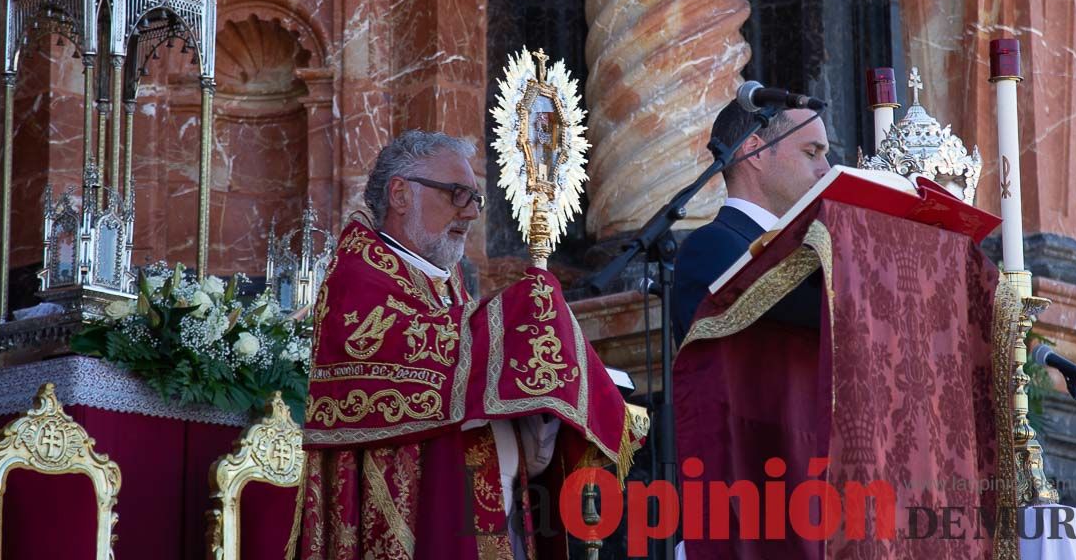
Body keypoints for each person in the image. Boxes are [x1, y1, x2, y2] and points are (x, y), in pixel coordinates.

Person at [293, 130, 641, 560]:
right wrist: (523, 312)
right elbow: (414, 362)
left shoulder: (443, 280)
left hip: (491, 503)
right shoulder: (358, 276)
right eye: (458, 195)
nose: (472, 213)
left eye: (476, 199)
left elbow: (469, 364)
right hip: (419, 512)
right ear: (400, 194)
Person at [671, 102, 830, 345]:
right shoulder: (712, 246)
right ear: (755, 150)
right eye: (811, 153)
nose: (826, 170)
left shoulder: (805, 245)